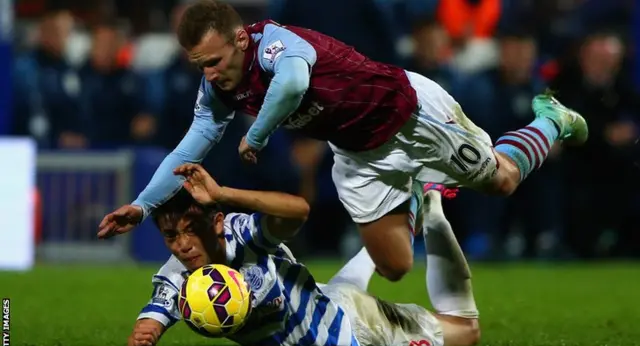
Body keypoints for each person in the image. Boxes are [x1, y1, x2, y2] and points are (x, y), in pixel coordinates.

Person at [99, 0, 588, 283]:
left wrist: (257, 133)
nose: (209, 74)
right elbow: (188, 151)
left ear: (240, 40)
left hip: (408, 115)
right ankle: (421, 188)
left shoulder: (273, 43)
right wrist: (141, 207)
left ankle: (551, 120)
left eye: (213, 60)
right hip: (358, 150)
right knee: (395, 267)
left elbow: (291, 84)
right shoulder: (218, 87)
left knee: (501, 181)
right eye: (198, 65)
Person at [128, 164, 479, 346]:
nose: (182, 245)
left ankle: (432, 208)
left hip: (348, 325)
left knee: (466, 333)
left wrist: (224, 194)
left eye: (191, 230)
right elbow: (152, 320)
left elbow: (297, 211)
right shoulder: (177, 275)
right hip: (324, 295)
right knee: (358, 275)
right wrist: (146, 333)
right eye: (171, 236)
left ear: (217, 223)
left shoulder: (244, 235)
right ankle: (416, 197)